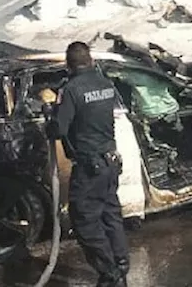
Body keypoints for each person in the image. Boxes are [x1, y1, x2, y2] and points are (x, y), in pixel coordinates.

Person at [52, 42, 129, 287]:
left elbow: (59, 129)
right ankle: (121, 263)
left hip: (89, 166)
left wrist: (50, 116)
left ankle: (110, 273)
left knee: (84, 220)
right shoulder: (106, 84)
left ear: (69, 64)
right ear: (91, 60)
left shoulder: (72, 89)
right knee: (109, 213)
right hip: (110, 161)